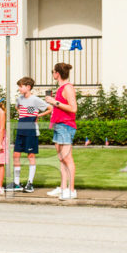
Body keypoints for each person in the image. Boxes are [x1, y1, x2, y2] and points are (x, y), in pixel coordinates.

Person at [10, 77, 51, 193]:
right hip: (20, 129)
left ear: (28, 87)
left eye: (21, 86)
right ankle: (17, 183)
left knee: (30, 156)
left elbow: (50, 108)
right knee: (16, 155)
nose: (19, 88)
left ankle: (30, 183)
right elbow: (18, 108)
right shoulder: (19, 99)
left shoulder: (35, 99)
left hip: (31, 130)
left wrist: (37, 116)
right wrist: (25, 114)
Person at [44, 62, 77, 200]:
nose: (53, 74)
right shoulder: (61, 88)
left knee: (67, 158)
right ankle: (63, 188)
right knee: (61, 158)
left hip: (66, 126)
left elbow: (73, 108)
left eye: (53, 71)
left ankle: (71, 190)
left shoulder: (68, 88)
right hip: (59, 126)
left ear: (57, 73)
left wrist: (54, 102)